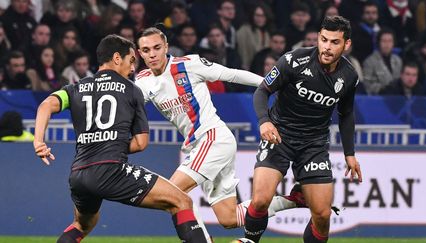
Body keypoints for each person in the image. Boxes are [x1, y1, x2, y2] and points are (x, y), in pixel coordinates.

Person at [33, 34, 207, 243]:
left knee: (83, 224)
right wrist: (111, 145)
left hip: (79, 174)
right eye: (131, 60)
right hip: (110, 170)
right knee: (182, 201)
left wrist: (38, 141)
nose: (133, 68)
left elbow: (46, 105)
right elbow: (141, 142)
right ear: (117, 58)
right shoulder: (132, 90)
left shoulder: (76, 87)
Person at [135, 27, 302, 243]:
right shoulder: (143, 80)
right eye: (146, 50)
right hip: (198, 146)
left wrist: (271, 84)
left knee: (172, 192)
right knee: (229, 217)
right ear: (140, 53)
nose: (152, 54)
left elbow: (232, 74)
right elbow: (129, 104)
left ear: (166, 47)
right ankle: (295, 200)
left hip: (213, 139)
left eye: (157, 48)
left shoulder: (188, 64)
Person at [243, 16, 363, 242]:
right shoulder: (293, 60)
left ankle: (304, 192)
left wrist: (350, 154)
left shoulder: (349, 76)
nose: (327, 47)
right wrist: (264, 120)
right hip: (279, 136)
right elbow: (262, 91)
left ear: (346, 44)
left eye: (334, 42)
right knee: (259, 201)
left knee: (322, 214)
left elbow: (346, 114)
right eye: (324, 39)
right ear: (318, 37)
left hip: (314, 145)